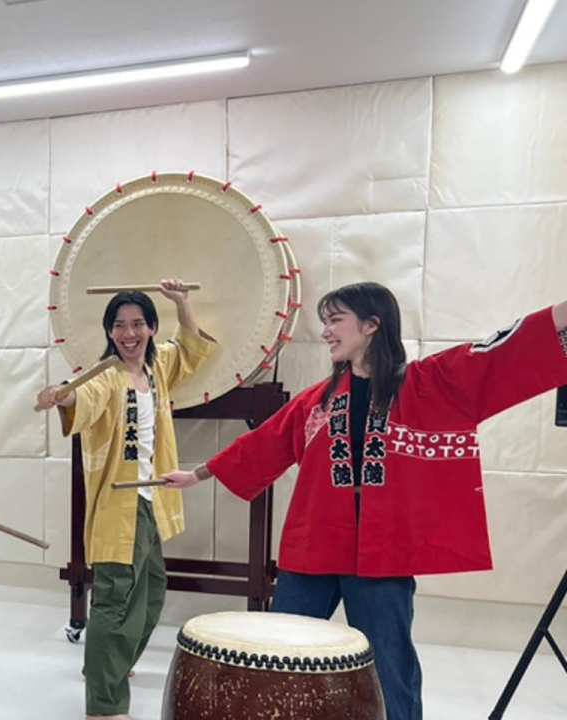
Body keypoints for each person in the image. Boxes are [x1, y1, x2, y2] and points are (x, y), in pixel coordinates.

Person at [163, 281, 567, 720]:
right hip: (314, 545)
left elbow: (500, 351)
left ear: (372, 325)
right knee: (279, 648)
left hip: (383, 550)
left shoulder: (431, 384)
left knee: (389, 666)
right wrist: (197, 474)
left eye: (335, 320)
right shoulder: (318, 401)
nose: (326, 332)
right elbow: (265, 444)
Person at [36, 280, 216, 720]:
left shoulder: (157, 368)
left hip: (153, 499)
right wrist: (60, 396)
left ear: (152, 328)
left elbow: (191, 346)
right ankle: (105, 703)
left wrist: (182, 303)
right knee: (116, 599)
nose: (129, 333)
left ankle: (109, 666)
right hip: (120, 503)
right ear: (109, 332)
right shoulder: (107, 376)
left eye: (138, 324)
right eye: (119, 326)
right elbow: (80, 395)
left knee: (152, 594)